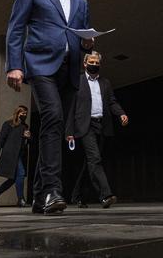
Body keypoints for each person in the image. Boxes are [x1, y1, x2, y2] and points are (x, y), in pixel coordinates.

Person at [5, 0, 94, 214]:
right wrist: (15, 65)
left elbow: (81, 36)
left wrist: (88, 43)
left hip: (69, 71)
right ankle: (53, 191)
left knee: (54, 130)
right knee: (53, 118)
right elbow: (16, 27)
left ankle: (38, 195)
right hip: (41, 65)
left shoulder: (82, 2)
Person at [66, 51, 129, 208]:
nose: (94, 65)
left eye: (97, 63)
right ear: (85, 64)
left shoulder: (105, 83)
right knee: (95, 159)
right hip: (84, 126)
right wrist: (69, 131)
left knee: (90, 163)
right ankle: (106, 195)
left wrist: (121, 113)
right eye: (91, 62)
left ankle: (77, 195)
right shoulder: (77, 81)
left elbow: (112, 102)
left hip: (102, 126)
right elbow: (71, 108)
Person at [0, 105, 31, 207]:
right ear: (17, 113)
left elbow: (27, 142)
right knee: (21, 174)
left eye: (26, 113)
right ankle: (21, 199)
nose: (24, 115)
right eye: (22, 113)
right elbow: (1, 138)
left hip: (20, 155)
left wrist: (28, 137)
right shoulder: (8, 124)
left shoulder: (25, 126)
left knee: (13, 179)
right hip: (10, 154)